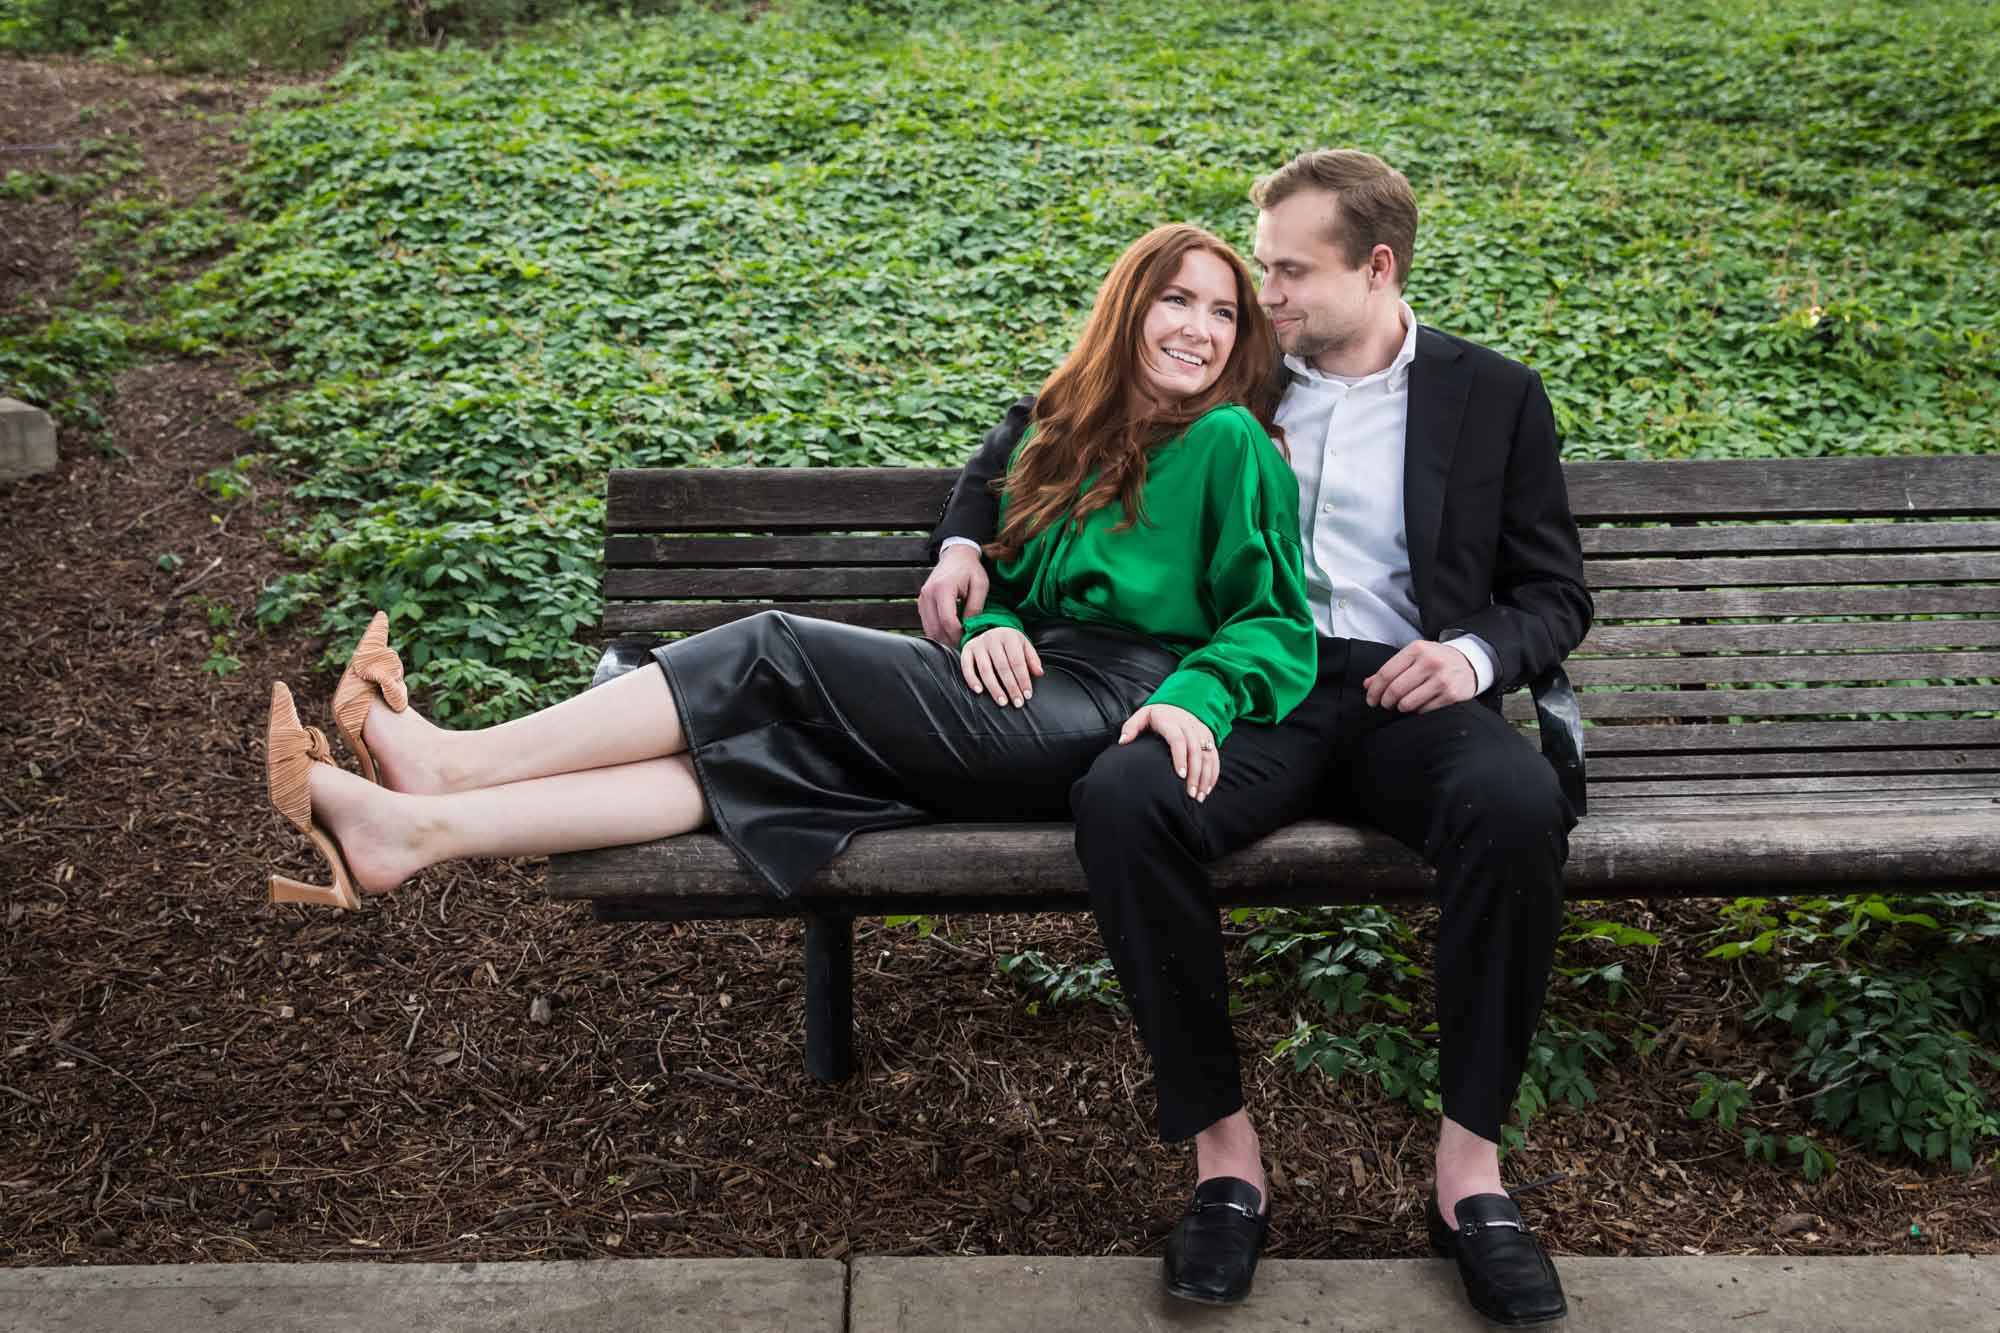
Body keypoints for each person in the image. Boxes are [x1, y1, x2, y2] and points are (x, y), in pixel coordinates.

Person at [918, 150, 1591, 1321]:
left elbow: (1551, 591)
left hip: (1403, 695)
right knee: (1123, 801)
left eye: (1287, 273)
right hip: (1241, 686)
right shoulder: (1233, 368)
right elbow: (1043, 425)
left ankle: (1469, 1175)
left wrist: (1472, 656)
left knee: (1517, 808)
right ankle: (1224, 1158)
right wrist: (963, 543)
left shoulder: (1492, 397)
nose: (1259, 295)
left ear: (1374, 268)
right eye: (1258, 270)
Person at [262, 222, 1317, 946]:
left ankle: (452, 766)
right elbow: (1003, 559)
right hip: (1028, 694)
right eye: (1175, 300)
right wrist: (989, 611)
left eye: (1223, 312)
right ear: (1128, 310)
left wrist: (1193, 695)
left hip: (1110, 713)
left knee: (772, 644)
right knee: (769, 754)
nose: (1198, 328)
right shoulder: (1065, 433)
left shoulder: (1226, 441)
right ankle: (413, 834)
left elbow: (1273, 627)